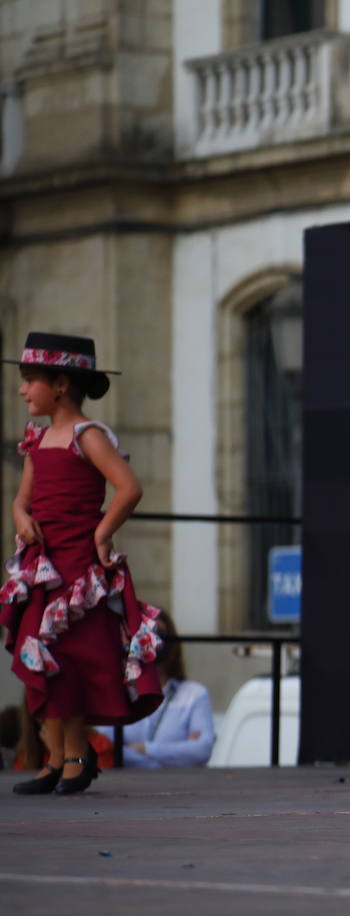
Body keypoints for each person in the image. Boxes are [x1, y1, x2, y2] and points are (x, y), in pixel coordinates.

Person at [1, 333, 162, 795]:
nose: (21, 390)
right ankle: (60, 756)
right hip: (44, 565)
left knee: (69, 657)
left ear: (61, 384)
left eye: (29, 380)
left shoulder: (86, 436)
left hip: (76, 566)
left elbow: (128, 487)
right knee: (42, 655)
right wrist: (19, 516)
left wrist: (102, 531)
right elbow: (22, 499)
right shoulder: (37, 440)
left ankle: (73, 757)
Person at [96, 609, 214, 767]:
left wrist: (144, 749)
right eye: (146, 632)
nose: (152, 641)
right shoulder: (117, 695)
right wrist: (171, 756)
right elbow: (105, 748)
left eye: (159, 633)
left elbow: (201, 750)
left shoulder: (194, 694)